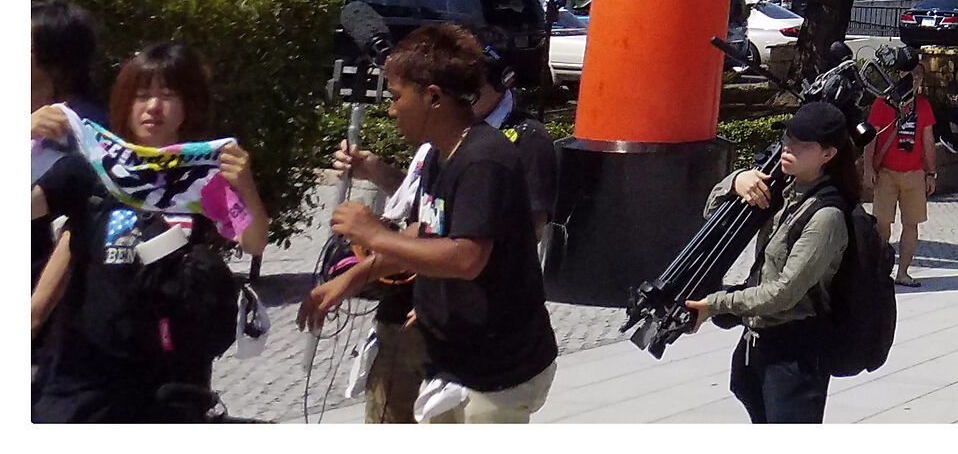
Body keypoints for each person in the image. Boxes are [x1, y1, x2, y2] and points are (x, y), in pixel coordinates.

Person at [305, 48, 560, 421]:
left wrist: (374, 234)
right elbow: (425, 231)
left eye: (396, 97)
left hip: (495, 372)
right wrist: (355, 275)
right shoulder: (442, 155)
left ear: (434, 98)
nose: (390, 110)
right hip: (451, 359)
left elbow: (467, 257)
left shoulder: (484, 158)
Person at [30, 42, 272, 421]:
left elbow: (253, 240)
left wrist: (247, 188)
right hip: (87, 372)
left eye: (168, 95)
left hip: (172, 377)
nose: (153, 107)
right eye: (142, 95)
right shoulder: (92, 167)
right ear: (126, 103)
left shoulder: (202, 176)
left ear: (188, 105)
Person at [685, 100, 861, 422]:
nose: (788, 147)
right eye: (788, 138)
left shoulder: (826, 216)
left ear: (828, 154)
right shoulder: (784, 192)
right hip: (759, 347)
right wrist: (736, 181)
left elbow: (783, 293)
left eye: (802, 143)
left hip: (795, 357)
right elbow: (713, 217)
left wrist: (716, 304)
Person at [31, 0, 106, 374]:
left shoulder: (87, 131)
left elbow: (76, 232)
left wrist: (33, 313)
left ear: (55, 61)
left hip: (50, 319)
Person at [864, 51, 936, 289]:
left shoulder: (923, 106)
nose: (914, 79)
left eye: (918, 76)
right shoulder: (882, 103)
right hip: (886, 171)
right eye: (911, 74)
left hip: (914, 172)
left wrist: (930, 173)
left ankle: (903, 271)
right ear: (901, 75)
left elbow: (928, 142)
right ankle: (881, 269)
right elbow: (870, 138)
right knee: (882, 223)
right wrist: (868, 168)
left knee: (912, 223)